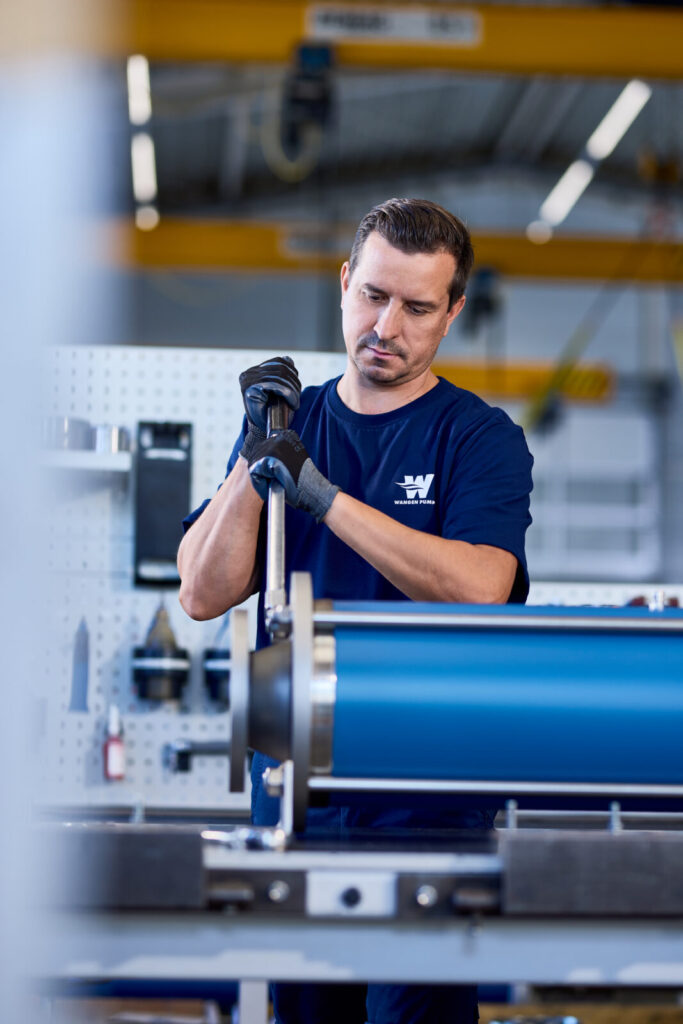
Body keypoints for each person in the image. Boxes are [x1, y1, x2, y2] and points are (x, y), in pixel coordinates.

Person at [178, 197, 534, 1024]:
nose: (387, 325)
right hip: (300, 788)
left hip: (428, 796)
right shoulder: (293, 428)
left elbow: (477, 586)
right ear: (343, 283)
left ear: (452, 313)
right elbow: (200, 591)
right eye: (373, 295)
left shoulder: (478, 438)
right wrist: (257, 450)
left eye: (416, 307)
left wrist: (322, 497)